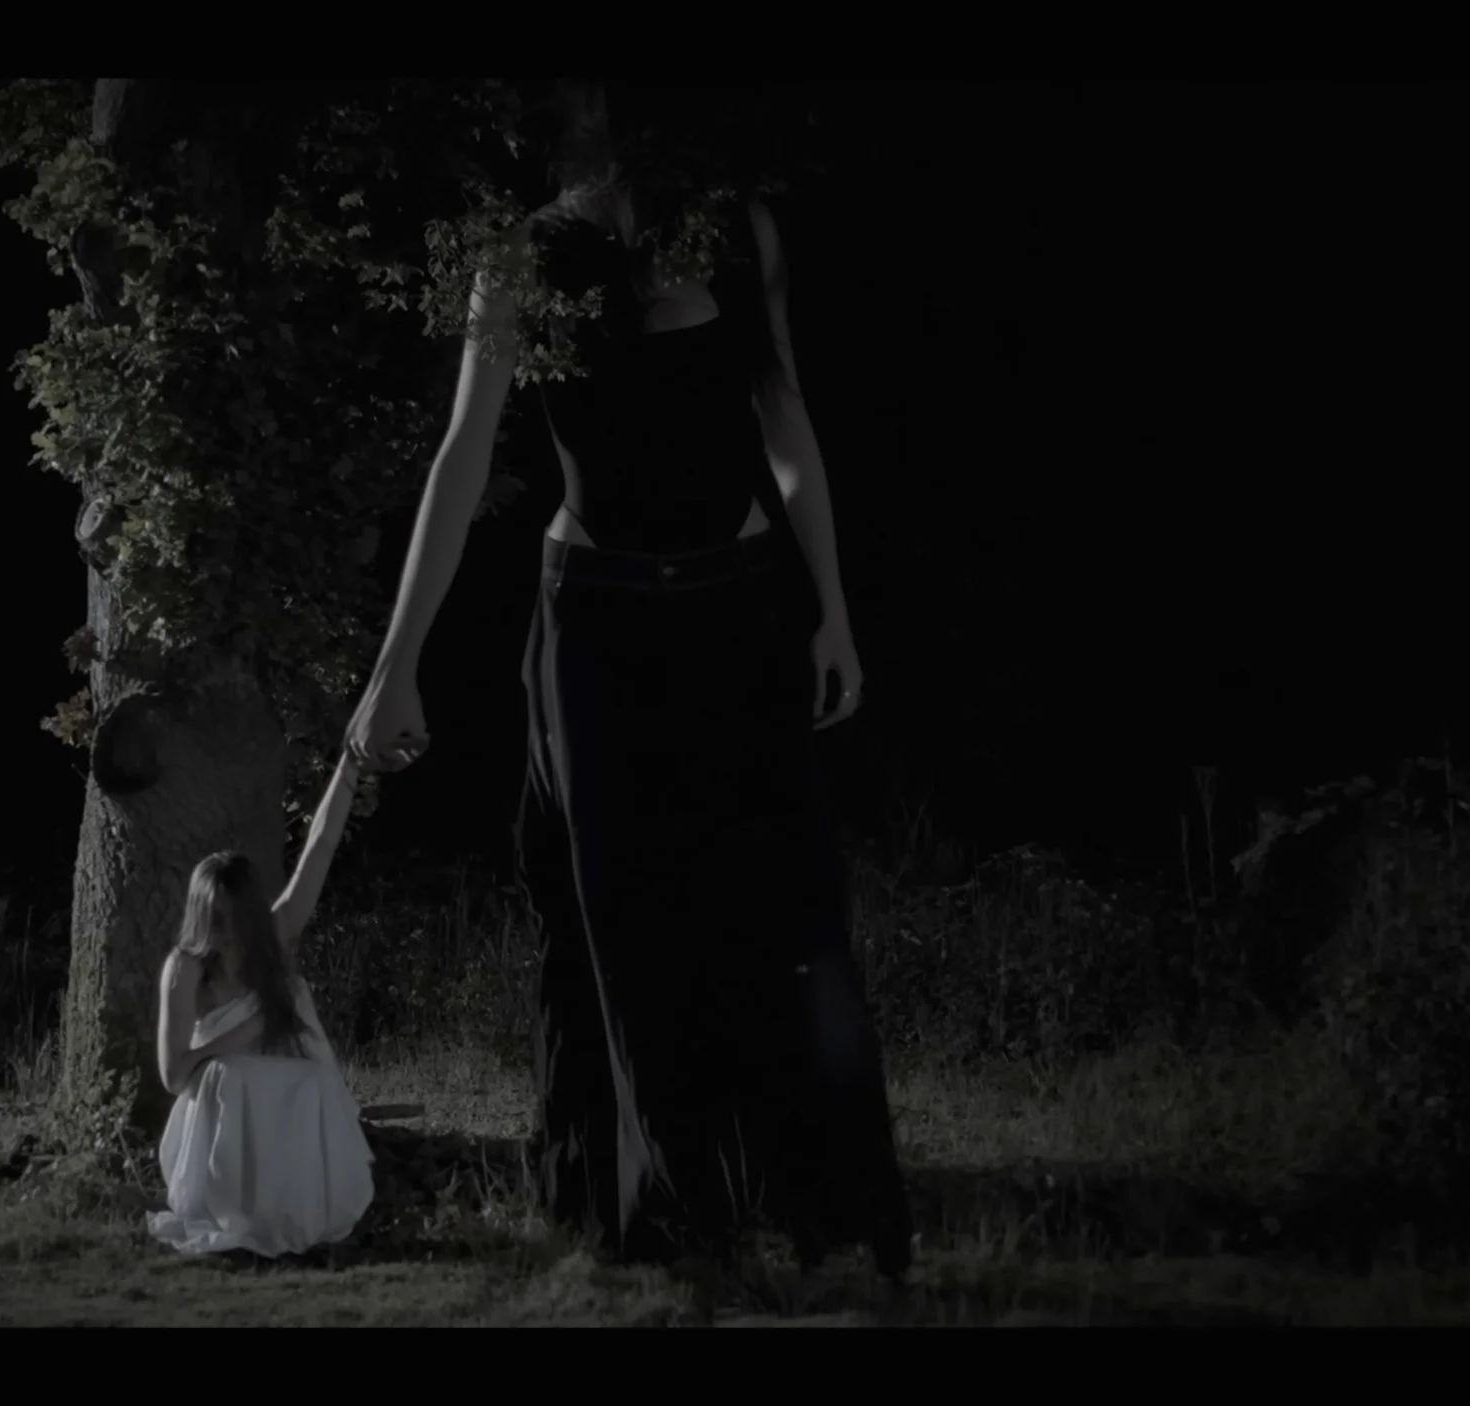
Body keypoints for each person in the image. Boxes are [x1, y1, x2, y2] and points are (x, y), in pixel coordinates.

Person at [343, 81, 913, 1276]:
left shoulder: (736, 227)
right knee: (628, 923)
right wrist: (394, 671)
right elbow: (459, 464)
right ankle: (676, 1227)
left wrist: (834, 615)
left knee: (781, 908)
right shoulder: (523, 257)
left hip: (745, 605)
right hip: (595, 623)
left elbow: (786, 424)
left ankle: (825, 1215)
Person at [147, 748, 376, 1258]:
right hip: (219, 1104)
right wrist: (238, 1038)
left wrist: (350, 764)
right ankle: (237, 1210)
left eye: (233, 918)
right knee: (232, 1075)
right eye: (215, 918)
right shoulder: (185, 968)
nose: (224, 931)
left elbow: (320, 848)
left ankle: (299, 1210)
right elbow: (174, 1075)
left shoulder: (274, 937)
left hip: (285, 1091)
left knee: (307, 1076)